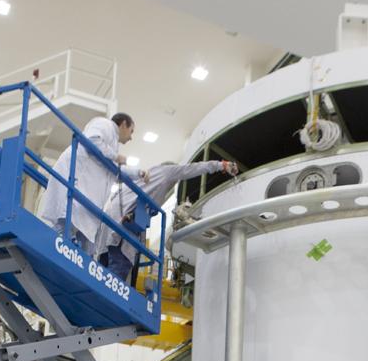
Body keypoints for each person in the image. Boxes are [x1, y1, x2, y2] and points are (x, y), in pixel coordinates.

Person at [99, 158, 238, 281]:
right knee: (117, 273)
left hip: (109, 224)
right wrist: (221, 165)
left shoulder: (145, 179)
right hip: (123, 229)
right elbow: (191, 169)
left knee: (102, 270)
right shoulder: (167, 172)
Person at [40, 112, 138, 255]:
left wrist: (138, 173)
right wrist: (116, 156)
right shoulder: (105, 125)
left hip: (85, 199)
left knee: (82, 244)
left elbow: (114, 171)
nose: (131, 137)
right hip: (75, 186)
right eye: (131, 131)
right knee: (62, 233)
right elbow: (92, 139)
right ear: (123, 124)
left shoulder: (111, 144)